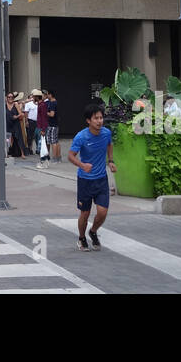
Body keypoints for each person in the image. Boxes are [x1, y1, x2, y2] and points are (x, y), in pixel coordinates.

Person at [69, 101, 115, 251]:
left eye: (101, 118)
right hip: (85, 180)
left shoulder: (106, 133)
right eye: (96, 118)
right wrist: (82, 165)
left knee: (102, 212)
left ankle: (93, 231)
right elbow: (70, 156)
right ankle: (82, 238)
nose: (99, 121)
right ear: (88, 120)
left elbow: (109, 144)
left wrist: (111, 161)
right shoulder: (81, 137)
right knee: (85, 212)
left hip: (101, 179)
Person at [25, 90, 43, 159]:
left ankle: (38, 149)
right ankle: (29, 149)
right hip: (31, 121)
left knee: (38, 136)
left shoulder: (40, 104)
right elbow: (26, 113)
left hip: (38, 121)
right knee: (30, 136)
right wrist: (26, 121)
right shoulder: (28, 104)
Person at [44, 90, 60, 161]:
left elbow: (52, 114)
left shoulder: (53, 103)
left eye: (48, 95)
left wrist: (46, 113)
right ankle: (58, 157)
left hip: (52, 124)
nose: (47, 96)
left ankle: (54, 157)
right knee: (55, 141)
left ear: (51, 95)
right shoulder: (54, 102)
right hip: (54, 124)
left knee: (53, 141)